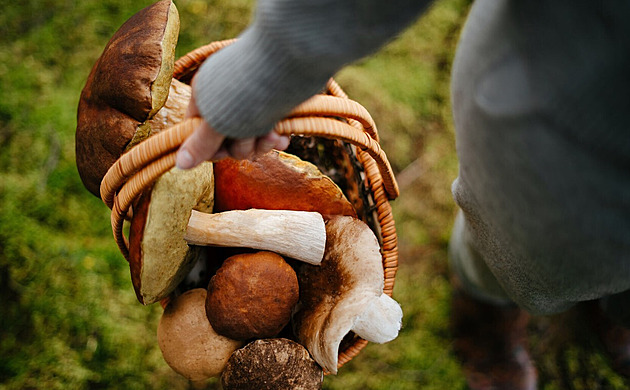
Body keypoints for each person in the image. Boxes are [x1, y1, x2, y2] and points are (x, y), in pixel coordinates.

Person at [175, 1, 630, 389]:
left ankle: (613, 310)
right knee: (523, 251)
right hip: (550, 118)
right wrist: (269, 67)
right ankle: (485, 305)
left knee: (607, 277)